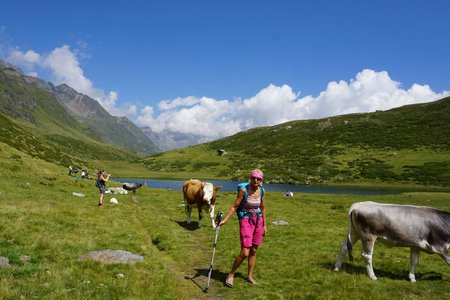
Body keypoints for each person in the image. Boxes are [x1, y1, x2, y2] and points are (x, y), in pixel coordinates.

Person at [219, 169, 267, 287]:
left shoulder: (262, 191)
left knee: (254, 250)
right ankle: (230, 275)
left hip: (258, 221)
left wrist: (265, 224)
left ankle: (249, 276)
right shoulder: (243, 190)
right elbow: (235, 206)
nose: (256, 180)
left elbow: (263, 208)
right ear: (250, 178)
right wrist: (225, 219)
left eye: (258, 178)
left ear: (261, 180)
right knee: (245, 252)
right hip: (246, 220)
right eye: (254, 178)